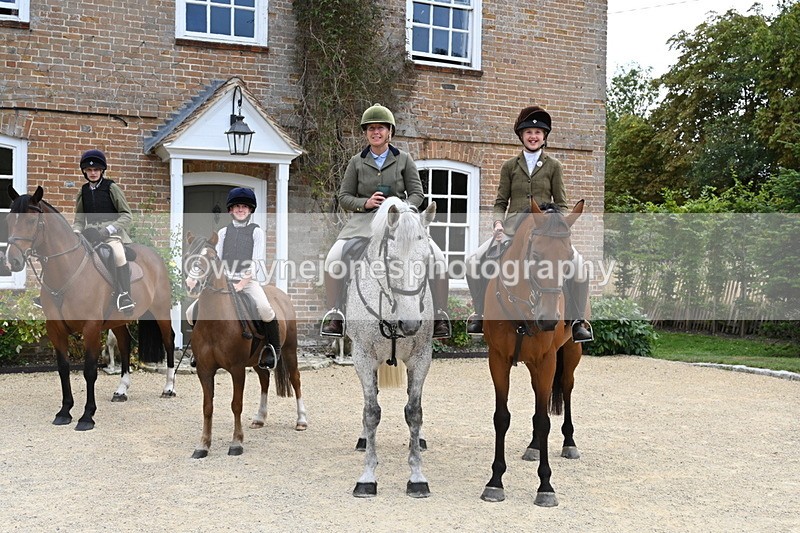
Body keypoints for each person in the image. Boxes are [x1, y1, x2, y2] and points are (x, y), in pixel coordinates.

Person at [319, 103, 451, 339]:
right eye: (371, 128)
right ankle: (336, 313)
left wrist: (402, 208)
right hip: (364, 223)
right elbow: (344, 197)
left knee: (438, 257)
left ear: (390, 131)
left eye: (380, 128)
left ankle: (440, 314)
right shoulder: (356, 162)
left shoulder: (404, 159)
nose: (376, 132)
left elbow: (417, 194)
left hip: (399, 222)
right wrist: (366, 203)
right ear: (365, 133)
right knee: (334, 257)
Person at [465, 105, 593, 342]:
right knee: (473, 262)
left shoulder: (554, 166)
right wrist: (498, 224)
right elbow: (500, 202)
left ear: (544, 137)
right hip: (513, 230)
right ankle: (480, 314)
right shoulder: (509, 166)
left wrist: (558, 226)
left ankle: (577, 321)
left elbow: (562, 203)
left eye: (538, 132)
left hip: (546, 231)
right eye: (528, 132)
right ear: (521, 136)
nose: (533, 136)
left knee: (579, 265)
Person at [186, 187, 281, 370]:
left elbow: (257, 261)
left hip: (248, 282)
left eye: (244, 206)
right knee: (191, 312)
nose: (240, 209)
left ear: (250, 209)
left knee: (265, 309)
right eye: (236, 206)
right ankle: (198, 347)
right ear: (230, 210)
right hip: (225, 281)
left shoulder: (256, 232)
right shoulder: (223, 232)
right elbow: (218, 260)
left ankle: (272, 349)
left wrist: (242, 283)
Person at [72, 149, 137, 315]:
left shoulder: (111, 188)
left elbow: (126, 215)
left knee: (118, 255)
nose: (93, 173)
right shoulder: (83, 191)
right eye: (89, 170)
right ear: (84, 172)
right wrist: (76, 231)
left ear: (102, 171)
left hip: (111, 234)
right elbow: (79, 219)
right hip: (90, 234)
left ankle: (125, 295)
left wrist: (108, 230)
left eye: (96, 169)